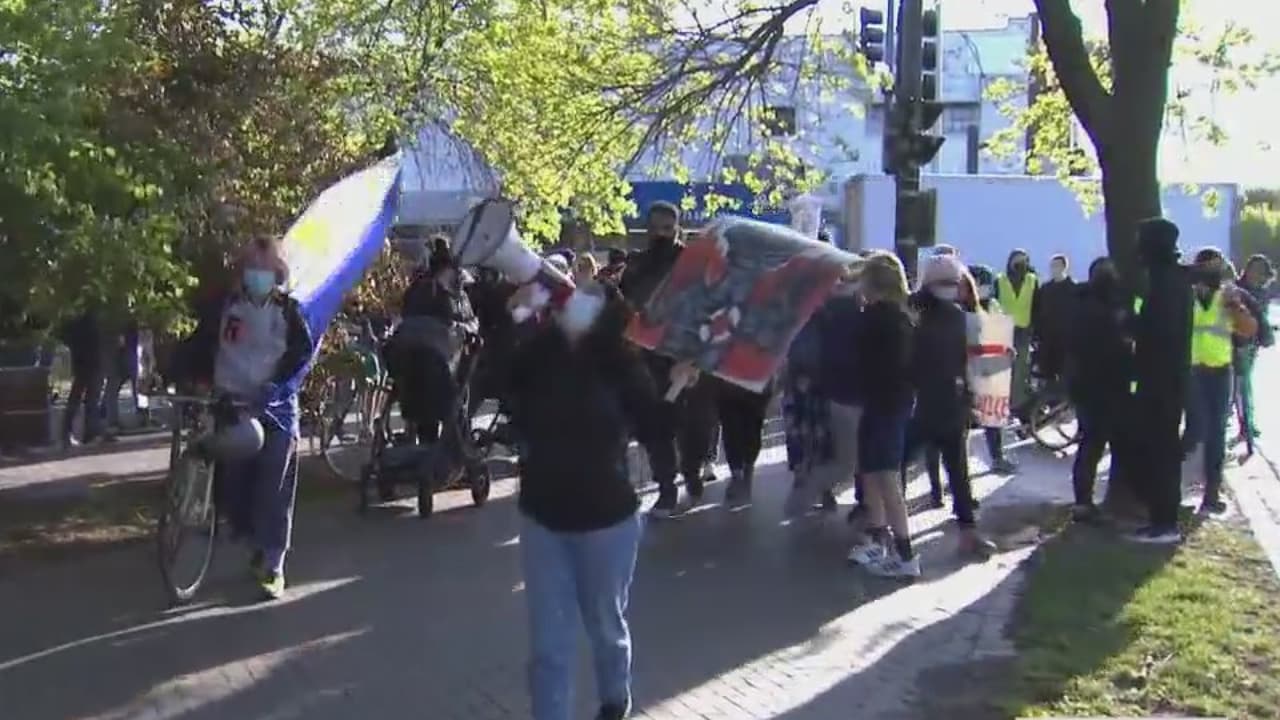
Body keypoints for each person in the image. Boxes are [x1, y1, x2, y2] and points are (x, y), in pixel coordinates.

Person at [504, 279, 672, 720]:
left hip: (607, 522)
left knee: (605, 626)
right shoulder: (537, 357)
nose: (569, 307)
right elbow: (497, 381)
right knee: (548, 646)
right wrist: (511, 317)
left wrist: (677, 389)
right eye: (566, 300)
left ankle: (615, 700)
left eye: (584, 300)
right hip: (543, 517)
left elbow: (655, 427)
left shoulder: (620, 366)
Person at [170, 236, 314, 598]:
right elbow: (200, 345)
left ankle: (272, 561)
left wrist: (277, 387)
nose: (258, 275)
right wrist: (182, 377)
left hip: (275, 407)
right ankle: (245, 534)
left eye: (265, 269)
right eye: (252, 268)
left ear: (277, 273)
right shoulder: (224, 307)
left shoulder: (289, 312)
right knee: (235, 480)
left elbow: (301, 356)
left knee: (273, 484)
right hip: (231, 404)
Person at [619, 202, 717, 516]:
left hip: (685, 356)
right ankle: (666, 487)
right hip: (647, 359)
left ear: (677, 228)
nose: (660, 234)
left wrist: (696, 356)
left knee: (694, 426)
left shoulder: (692, 263)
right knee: (655, 428)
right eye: (655, 227)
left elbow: (708, 306)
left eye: (667, 228)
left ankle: (692, 471)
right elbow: (624, 305)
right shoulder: (636, 264)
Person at [906, 255, 994, 556]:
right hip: (950, 403)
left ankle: (885, 531)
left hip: (922, 404)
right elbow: (971, 363)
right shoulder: (957, 318)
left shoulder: (915, 315)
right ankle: (968, 533)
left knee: (897, 465)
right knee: (958, 471)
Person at [846, 252, 919, 578]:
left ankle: (905, 556)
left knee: (885, 477)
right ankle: (878, 542)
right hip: (887, 403)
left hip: (885, 405)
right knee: (872, 473)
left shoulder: (880, 318)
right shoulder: (898, 317)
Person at [1128, 218, 1193, 544]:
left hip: (1162, 382)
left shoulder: (1168, 282)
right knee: (1157, 450)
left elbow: (1162, 333)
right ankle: (1158, 517)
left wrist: (1134, 326)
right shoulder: (1167, 279)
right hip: (1163, 380)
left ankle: (1164, 523)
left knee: (1161, 451)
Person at [1181, 248, 1257, 515]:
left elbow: (1249, 329)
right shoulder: (1186, 296)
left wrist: (1234, 307)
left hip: (1219, 372)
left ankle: (1211, 495)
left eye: (1217, 267)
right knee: (1195, 432)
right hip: (1191, 372)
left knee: (1215, 434)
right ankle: (1173, 479)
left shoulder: (1228, 296)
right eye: (1208, 267)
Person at [784, 265, 863, 516]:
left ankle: (813, 485)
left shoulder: (820, 307)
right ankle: (810, 486)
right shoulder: (820, 307)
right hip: (811, 382)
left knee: (815, 438)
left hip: (812, 382)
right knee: (814, 438)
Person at [387, 236, 477, 446]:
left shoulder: (417, 288)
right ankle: (452, 448)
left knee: (419, 400)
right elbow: (467, 323)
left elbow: (405, 314)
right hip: (440, 364)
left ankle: (424, 443)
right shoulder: (452, 293)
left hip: (405, 359)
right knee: (451, 402)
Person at [1067, 257, 1134, 523]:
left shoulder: (1081, 304)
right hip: (1107, 386)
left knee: (1090, 445)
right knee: (1102, 444)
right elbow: (1115, 349)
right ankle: (1087, 502)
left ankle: (1083, 501)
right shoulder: (1109, 309)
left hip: (1085, 386)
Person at [964, 264, 1016, 474]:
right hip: (968, 370)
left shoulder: (992, 306)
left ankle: (997, 457)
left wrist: (1006, 350)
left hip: (990, 370)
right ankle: (960, 467)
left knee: (992, 416)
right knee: (965, 421)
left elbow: (999, 333)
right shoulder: (962, 310)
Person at [1234, 255, 1274, 443]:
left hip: (1251, 345)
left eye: (1260, 271)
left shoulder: (1262, 292)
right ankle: (1245, 424)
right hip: (1236, 345)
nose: (1256, 274)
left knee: (1243, 386)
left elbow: (1261, 318)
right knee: (1241, 386)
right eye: (1253, 269)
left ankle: (1246, 424)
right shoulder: (1238, 289)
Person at [995, 249, 1037, 419]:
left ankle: (1017, 406)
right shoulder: (1001, 279)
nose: (1019, 264)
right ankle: (1003, 405)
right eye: (1016, 261)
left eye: (1023, 261)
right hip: (1004, 329)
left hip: (1024, 330)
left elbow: (1037, 305)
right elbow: (994, 303)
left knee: (1020, 370)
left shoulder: (1032, 280)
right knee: (1004, 371)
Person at [59, 308, 104, 448]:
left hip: (82, 363)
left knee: (79, 398)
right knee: (89, 399)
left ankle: (69, 433)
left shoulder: (76, 323)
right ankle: (88, 433)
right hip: (90, 363)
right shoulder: (91, 321)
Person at [1032, 253, 1077, 382]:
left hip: (1066, 339)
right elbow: (1037, 310)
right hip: (1047, 339)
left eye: (1056, 266)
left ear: (1064, 267)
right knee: (1047, 374)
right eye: (1052, 266)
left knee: (1065, 374)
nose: (1053, 269)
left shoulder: (1073, 288)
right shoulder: (1045, 289)